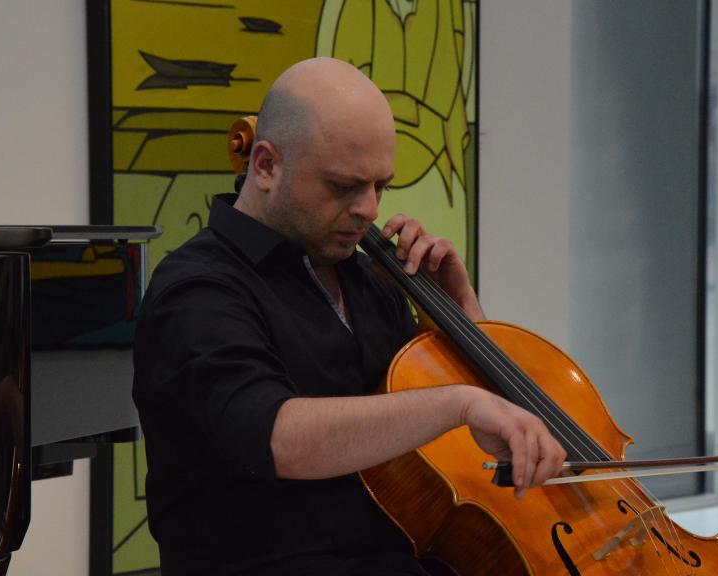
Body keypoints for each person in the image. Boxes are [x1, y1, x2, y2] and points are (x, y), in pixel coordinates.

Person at [132, 57, 565, 575]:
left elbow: (450, 445)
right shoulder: (198, 289)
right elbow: (280, 438)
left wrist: (458, 311)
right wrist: (460, 403)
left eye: (380, 186)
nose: (369, 210)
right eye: (344, 187)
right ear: (266, 165)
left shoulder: (369, 280)